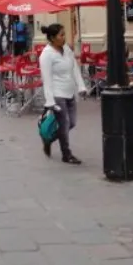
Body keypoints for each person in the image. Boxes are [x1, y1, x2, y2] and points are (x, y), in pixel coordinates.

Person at [38, 23, 87, 165]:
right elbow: (46, 79)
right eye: (61, 35)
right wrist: (50, 102)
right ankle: (67, 154)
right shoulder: (46, 55)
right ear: (52, 38)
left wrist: (81, 86)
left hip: (70, 92)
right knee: (64, 124)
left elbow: (74, 69)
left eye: (64, 34)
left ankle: (48, 139)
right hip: (57, 94)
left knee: (71, 123)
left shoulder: (66, 49)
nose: (64, 37)